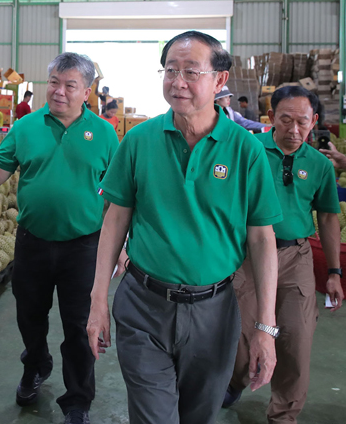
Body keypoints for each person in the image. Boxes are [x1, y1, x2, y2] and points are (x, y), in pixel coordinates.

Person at [87, 30, 283, 424]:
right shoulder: (139, 141)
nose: (178, 82)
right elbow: (116, 219)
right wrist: (98, 299)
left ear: (219, 80)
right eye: (170, 70)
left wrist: (266, 327)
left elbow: (262, 238)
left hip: (215, 311)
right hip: (143, 306)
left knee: (200, 415)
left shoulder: (246, 150)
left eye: (191, 72)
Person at [0, 52, 118, 424]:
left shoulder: (104, 133)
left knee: (79, 324)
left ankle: (77, 400)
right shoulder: (26, 127)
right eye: (53, 82)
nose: (58, 91)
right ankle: (36, 364)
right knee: (29, 316)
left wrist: (122, 246)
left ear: (86, 91)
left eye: (69, 85)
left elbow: (121, 196)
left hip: (84, 246)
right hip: (32, 242)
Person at [224, 85, 345, 422]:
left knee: (295, 340)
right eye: (286, 120)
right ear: (270, 118)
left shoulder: (319, 164)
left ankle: (283, 416)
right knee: (241, 340)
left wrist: (334, 272)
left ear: (314, 121)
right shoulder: (248, 150)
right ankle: (234, 380)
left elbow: (328, 216)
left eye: (303, 122)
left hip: (295, 258)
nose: (294, 130)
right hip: (246, 257)